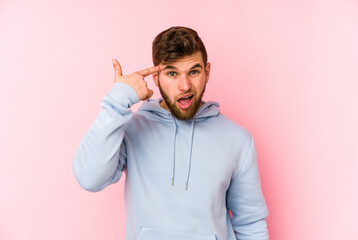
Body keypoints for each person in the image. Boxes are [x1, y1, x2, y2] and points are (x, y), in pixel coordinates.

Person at [73, 26, 269, 240]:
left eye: (193, 72)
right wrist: (118, 100)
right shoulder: (132, 130)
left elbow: (251, 223)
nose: (184, 85)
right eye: (172, 73)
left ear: (207, 72)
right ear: (156, 78)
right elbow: (89, 178)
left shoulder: (238, 140)